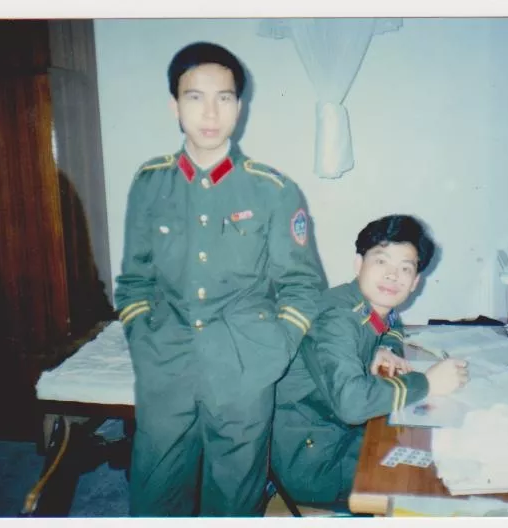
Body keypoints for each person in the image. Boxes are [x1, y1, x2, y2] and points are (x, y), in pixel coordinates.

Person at [114, 41, 325, 516]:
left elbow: (301, 286)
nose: (210, 112)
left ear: (239, 107)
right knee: (153, 495)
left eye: (224, 98)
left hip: (245, 368)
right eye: (195, 97)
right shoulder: (150, 182)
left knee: (234, 500)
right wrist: (145, 344)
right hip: (166, 366)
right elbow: (134, 281)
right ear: (175, 106)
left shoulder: (273, 191)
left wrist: (272, 353)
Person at [271, 214, 469, 506]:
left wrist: (386, 346)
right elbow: (352, 404)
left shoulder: (366, 303)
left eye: (405, 268)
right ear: (359, 264)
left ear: (414, 282)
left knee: (439, 447)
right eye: (381, 261)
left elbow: (393, 322)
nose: (392, 276)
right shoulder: (337, 318)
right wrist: (426, 383)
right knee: (435, 481)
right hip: (315, 462)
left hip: (339, 434)